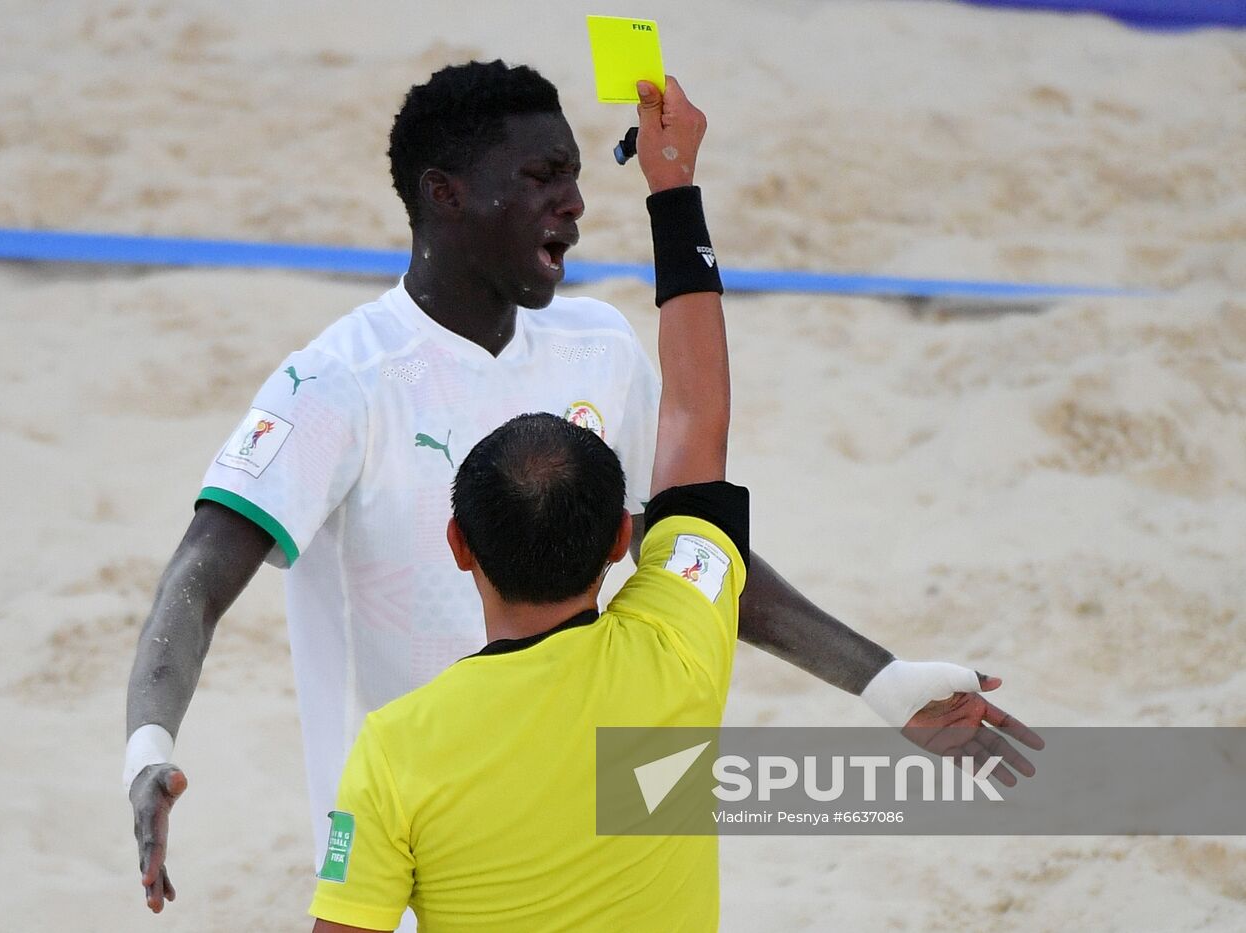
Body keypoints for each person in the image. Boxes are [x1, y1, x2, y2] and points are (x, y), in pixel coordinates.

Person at [125, 59, 1041, 918]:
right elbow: (199, 578)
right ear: (444, 193)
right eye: (541, 176)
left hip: (601, 827)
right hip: (415, 859)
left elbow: (686, 543)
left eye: (575, 173)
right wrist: (150, 746)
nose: (574, 202)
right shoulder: (339, 381)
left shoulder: (597, 345)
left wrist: (877, 678)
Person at [309, 73, 741, 931]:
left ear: (459, 544)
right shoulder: (680, 653)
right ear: (624, 537)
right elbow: (698, 417)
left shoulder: (396, 749)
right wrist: (674, 187)